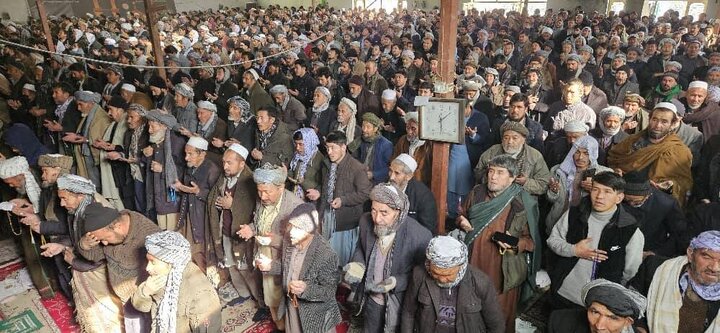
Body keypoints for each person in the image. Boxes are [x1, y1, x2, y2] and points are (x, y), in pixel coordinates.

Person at [456, 155, 540, 331]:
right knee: (469, 309)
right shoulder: (477, 193)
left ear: (512, 177)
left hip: (503, 271)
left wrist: (514, 243)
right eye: (491, 171)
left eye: (500, 173)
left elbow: (532, 242)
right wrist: (461, 221)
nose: (492, 176)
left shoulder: (523, 202)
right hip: (472, 263)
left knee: (500, 317)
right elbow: (461, 214)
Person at [547, 171, 644, 309]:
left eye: (607, 192)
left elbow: (630, 271)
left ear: (619, 197)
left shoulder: (630, 230)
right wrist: (574, 250)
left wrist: (612, 294)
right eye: (595, 189)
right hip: (563, 290)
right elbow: (553, 240)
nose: (599, 196)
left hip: (599, 302)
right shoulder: (574, 214)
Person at [344, 183, 432, 333]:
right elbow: (361, 247)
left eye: (384, 213)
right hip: (371, 299)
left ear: (398, 212)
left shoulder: (419, 236)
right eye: (373, 210)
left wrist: (396, 282)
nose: (377, 218)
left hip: (399, 304)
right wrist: (358, 264)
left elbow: (423, 276)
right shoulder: (366, 222)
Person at [237, 163, 304, 330]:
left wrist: (274, 241)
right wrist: (251, 230)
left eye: (267, 191)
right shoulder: (262, 199)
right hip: (263, 254)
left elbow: (303, 243)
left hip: (283, 260)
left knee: (284, 299)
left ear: (280, 187)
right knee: (270, 296)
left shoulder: (295, 206)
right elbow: (259, 222)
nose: (262, 196)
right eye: (260, 191)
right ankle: (279, 325)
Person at [77, 202, 162, 332]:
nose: (104, 243)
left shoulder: (148, 235)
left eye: (105, 238)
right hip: (126, 300)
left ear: (118, 226)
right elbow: (97, 255)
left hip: (145, 301)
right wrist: (84, 245)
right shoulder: (109, 231)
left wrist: (143, 296)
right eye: (101, 240)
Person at [401, 236, 506, 333]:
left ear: (461, 267)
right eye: (436, 273)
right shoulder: (419, 275)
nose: (442, 279)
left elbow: (496, 325)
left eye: (449, 274)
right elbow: (408, 312)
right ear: (429, 265)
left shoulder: (481, 281)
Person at [264, 204, 343, 333]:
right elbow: (285, 266)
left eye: (298, 228)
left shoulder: (326, 254)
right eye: (291, 226)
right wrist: (269, 266)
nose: (291, 232)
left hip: (315, 313)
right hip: (292, 306)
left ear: (309, 231)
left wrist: (306, 289)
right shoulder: (289, 241)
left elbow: (328, 292)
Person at [132, 231, 222, 333]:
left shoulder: (200, 293)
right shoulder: (159, 277)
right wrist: (145, 292)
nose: (147, 268)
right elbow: (141, 307)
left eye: (153, 262)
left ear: (171, 263)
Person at [607, 102, 693, 207]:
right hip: (621, 195)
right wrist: (616, 170)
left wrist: (670, 185)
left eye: (664, 122)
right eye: (655, 120)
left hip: (652, 201)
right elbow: (614, 158)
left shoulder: (679, 150)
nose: (657, 126)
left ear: (672, 124)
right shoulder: (632, 140)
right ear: (649, 119)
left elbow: (684, 182)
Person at [206, 144, 261, 304]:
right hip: (226, 230)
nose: (225, 166)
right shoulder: (225, 177)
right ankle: (243, 294)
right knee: (231, 265)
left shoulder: (250, 180)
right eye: (224, 162)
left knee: (246, 269)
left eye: (229, 163)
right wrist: (219, 203)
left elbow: (257, 209)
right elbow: (214, 197)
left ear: (242, 164)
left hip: (242, 235)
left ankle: (260, 301)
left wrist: (232, 205)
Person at [310, 131, 372, 266]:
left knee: (340, 259)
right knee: (325, 256)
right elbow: (326, 184)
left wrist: (344, 200)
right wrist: (319, 192)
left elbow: (366, 192)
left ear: (343, 147)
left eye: (333, 148)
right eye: (327, 148)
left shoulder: (356, 167)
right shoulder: (327, 164)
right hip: (326, 215)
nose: (330, 152)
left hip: (345, 222)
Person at [645, 230, 720, 332]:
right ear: (690, 254)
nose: (714, 268)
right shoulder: (657, 269)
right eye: (706, 256)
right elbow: (632, 305)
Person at [546, 135, 612, 234]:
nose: (580, 157)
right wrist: (553, 191)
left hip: (586, 226)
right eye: (577, 152)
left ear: (593, 154)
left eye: (586, 153)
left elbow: (611, 202)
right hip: (558, 221)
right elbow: (551, 200)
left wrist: (595, 189)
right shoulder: (558, 170)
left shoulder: (605, 174)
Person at [174, 136, 220, 271]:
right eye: (185, 154)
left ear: (202, 154)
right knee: (192, 249)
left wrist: (198, 192)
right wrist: (181, 189)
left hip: (204, 218)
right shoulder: (189, 167)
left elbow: (216, 199)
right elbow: (186, 191)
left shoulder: (212, 170)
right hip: (190, 215)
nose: (186, 158)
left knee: (204, 251)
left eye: (190, 154)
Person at [621, 171, 686, 258]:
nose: (631, 204)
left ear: (648, 195)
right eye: (627, 200)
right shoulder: (615, 199)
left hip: (650, 252)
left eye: (637, 202)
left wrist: (656, 253)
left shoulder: (666, 203)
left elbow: (679, 235)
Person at [476, 122, 551, 196]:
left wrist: (526, 182)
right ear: (502, 139)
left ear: (523, 140)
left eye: (515, 138)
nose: (509, 141)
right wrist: (492, 176)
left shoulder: (535, 156)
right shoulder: (492, 152)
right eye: (506, 138)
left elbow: (544, 184)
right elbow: (478, 173)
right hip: (493, 197)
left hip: (523, 200)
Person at [547, 279, 647, 333]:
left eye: (612, 318)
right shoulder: (560, 322)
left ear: (627, 322)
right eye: (595, 312)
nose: (599, 326)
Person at [143, 110, 186, 230]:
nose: (149, 130)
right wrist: (145, 156)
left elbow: (186, 171)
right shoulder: (156, 142)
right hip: (159, 196)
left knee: (173, 230)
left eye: (153, 126)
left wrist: (163, 169)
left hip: (172, 198)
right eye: (149, 126)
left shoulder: (177, 142)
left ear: (164, 126)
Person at [61, 90, 112, 189]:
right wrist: (77, 136)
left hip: (95, 160)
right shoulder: (88, 115)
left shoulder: (101, 118)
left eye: (81, 105)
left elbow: (102, 140)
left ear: (90, 103)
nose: (79, 108)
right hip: (86, 158)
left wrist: (84, 140)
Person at [96, 96, 132, 210]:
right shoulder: (115, 123)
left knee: (124, 200)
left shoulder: (127, 122)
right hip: (114, 167)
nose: (109, 113)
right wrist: (105, 144)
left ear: (120, 110)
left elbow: (128, 148)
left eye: (111, 109)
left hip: (123, 170)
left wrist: (113, 147)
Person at [388, 154, 437, 234]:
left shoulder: (423, 196)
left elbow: (427, 229)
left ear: (409, 176)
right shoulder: (383, 186)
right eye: (390, 171)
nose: (391, 177)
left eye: (397, 173)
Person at [392, 112, 433, 186]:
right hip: (401, 182)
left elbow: (428, 170)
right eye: (407, 127)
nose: (409, 132)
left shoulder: (428, 144)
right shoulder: (402, 140)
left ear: (422, 128)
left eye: (413, 128)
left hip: (421, 184)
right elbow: (394, 160)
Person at [353, 112, 393, 185]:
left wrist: (373, 174)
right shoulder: (360, 141)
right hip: (361, 177)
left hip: (378, 183)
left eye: (368, 127)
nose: (364, 130)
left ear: (375, 129)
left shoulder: (386, 145)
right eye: (363, 126)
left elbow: (390, 168)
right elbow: (355, 158)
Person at [287, 128, 322, 200]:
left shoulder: (319, 159)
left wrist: (304, 182)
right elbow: (294, 174)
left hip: (310, 201)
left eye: (301, 144)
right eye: (296, 144)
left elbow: (321, 186)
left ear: (309, 142)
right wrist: (286, 173)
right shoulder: (297, 156)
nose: (297, 147)